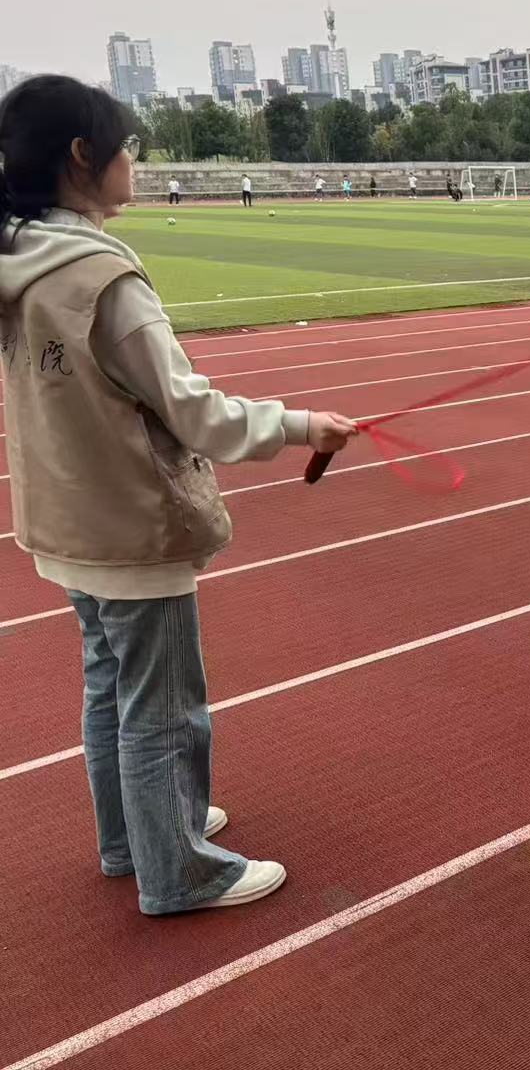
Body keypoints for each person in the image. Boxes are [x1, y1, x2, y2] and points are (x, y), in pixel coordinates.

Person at [0, 76, 360, 915]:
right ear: (82, 157)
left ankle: (135, 838)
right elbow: (193, 412)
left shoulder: (19, 262)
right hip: (129, 523)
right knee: (162, 706)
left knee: (109, 687)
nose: (134, 160)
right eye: (126, 145)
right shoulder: (101, 277)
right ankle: (179, 870)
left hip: (64, 520)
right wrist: (302, 425)